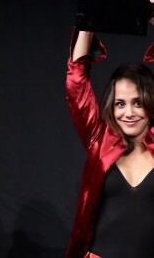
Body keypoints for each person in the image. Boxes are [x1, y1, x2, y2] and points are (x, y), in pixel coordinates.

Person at [65, 17, 154, 256]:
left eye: (138, 102)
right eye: (120, 104)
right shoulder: (100, 140)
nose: (129, 113)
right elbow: (76, 84)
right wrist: (88, 22)